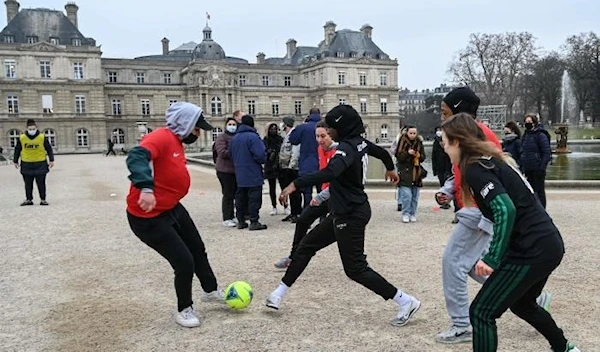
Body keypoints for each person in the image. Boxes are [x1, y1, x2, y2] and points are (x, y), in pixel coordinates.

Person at [267, 105, 421, 327]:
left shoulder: (346, 149)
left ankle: (405, 301)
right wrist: (390, 169)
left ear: (342, 127)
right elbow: (381, 152)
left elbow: (331, 173)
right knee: (306, 246)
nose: (328, 131)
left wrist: (296, 183)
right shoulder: (359, 143)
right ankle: (278, 294)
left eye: (331, 127)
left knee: (355, 269)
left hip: (350, 214)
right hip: (344, 211)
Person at [441, 112, 580, 352]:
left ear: (458, 141)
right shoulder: (491, 160)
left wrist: (492, 257)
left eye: (445, 140)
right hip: (548, 244)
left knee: (482, 312)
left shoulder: (476, 168)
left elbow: (505, 209)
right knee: (523, 304)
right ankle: (565, 348)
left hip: (532, 249)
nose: (443, 146)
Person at [125, 102, 224, 328]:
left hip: (172, 207)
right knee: (183, 260)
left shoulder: (177, 141)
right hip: (147, 217)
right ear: (185, 124)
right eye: (197, 128)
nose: (198, 133)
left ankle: (210, 290)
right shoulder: (161, 137)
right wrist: (146, 188)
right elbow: (136, 157)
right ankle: (184, 308)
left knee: (197, 248)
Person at [274, 120, 337, 270]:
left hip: (339, 196)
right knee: (303, 219)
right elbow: (322, 174)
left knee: (338, 232)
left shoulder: (339, 151)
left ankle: (357, 262)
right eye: (317, 136)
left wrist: (320, 196)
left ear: (332, 135)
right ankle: (293, 257)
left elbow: (336, 180)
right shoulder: (321, 149)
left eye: (323, 136)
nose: (319, 140)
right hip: (327, 193)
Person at [230, 115, 268, 231]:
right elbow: (260, 155)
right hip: (253, 171)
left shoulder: (235, 138)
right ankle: (254, 221)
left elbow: (231, 154)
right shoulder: (253, 137)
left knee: (240, 197)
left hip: (239, 171)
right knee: (254, 197)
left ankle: (241, 220)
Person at [13, 119, 54, 206]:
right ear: (27, 128)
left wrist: (51, 160)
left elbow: (48, 148)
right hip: (26, 163)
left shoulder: (42, 137)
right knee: (28, 184)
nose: (32, 130)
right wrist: (15, 161)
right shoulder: (22, 137)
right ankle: (29, 199)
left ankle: (43, 199)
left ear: (36, 128)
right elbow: (17, 149)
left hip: (40, 163)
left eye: (33, 129)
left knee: (41, 183)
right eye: (30, 129)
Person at [289, 108, 321, 208]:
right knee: (323, 192)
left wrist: (303, 123)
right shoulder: (325, 127)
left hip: (307, 163)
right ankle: (323, 216)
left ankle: (307, 216)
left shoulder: (303, 127)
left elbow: (293, 139)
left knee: (307, 193)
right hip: (322, 163)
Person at [395, 125, 426, 223]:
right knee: (407, 195)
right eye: (411, 133)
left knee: (415, 196)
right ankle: (406, 213)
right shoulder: (402, 141)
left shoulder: (419, 142)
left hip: (416, 171)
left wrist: (418, 155)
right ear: (407, 133)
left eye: (414, 133)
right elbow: (398, 156)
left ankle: (413, 213)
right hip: (405, 171)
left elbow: (423, 157)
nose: (412, 135)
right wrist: (408, 153)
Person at [520, 113, 551, 208]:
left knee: (539, 191)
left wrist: (542, 167)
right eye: (526, 122)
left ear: (534, 122)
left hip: (537, 168)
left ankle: (542, 209)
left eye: (529, 122)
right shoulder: (525, 135)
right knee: (530, 191)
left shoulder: (540, 135)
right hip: (528, 168)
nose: (527, 123)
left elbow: (546, 152)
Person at [215, 117, 238, 227]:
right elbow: (222, 152)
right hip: (224, 170)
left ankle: (233, 215)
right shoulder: (221, 137)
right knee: (228, 194)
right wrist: (237, 151)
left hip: (235, 170)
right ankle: (227, 217)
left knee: (235, 193)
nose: (232, 126)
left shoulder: (237, 136)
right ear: (226, 125)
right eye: (230, 124)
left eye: (234, 124)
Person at [278, 116, 302, 222]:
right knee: (290, 192)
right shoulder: (287, 135)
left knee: (295, 192)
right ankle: (293, 212)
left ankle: (297, 213)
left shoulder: (293, 135)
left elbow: (295, 152)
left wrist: (291, 166)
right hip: (286, 166)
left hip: (292, 168)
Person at [263, 123, 284, 215]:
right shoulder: (265, 140)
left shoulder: (280, 139)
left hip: (279, 164)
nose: (273, 131)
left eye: (275, 129)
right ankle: (274, 206)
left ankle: (285, 205)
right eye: (271, 129)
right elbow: (263, 151)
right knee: (272, 188)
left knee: (283, 187)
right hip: (270, 165)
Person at [431, 126, 453, 210]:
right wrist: (434, 169)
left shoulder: (449, 141)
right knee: (442, 184)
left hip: (448, 167)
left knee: (448, 185)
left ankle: (447, 201)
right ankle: (444, 202)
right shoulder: (436, 142)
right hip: (440, 167)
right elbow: (434, 156)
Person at [390, 125, 408, 211]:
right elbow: (392, 149)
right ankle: (400, 202)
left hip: (409, 165)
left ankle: (404, 202)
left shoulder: (413, 141)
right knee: (400, 184)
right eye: (403, 130)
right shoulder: (397, 139)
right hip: (398, 163)